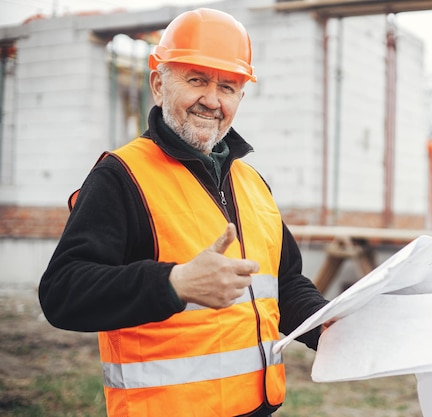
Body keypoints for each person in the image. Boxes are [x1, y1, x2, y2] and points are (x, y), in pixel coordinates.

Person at [39, 8, 329, 417]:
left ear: (240, 97)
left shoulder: (252, 182)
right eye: (197, 80)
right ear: (158, 84)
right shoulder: (122, 176)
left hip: (256, 408)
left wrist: (329, 326)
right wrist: (174, 282)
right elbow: (62, 292)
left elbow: (285, 282)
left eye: (228, 86)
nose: (211, 100)